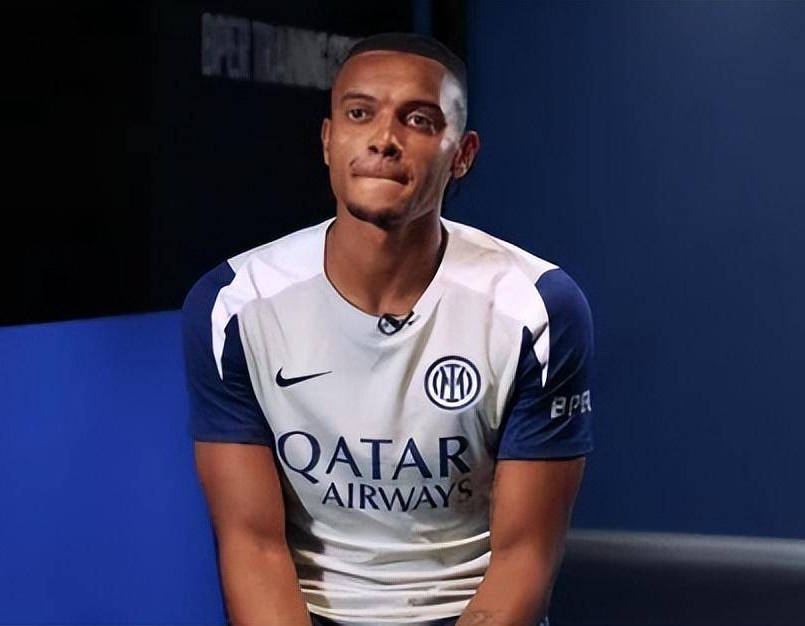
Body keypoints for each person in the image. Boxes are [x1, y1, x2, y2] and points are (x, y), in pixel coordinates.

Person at [181, 32, 593, 626]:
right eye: (359, 113)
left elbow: (523, 559)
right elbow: (253, 547)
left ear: (463, 154)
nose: (383, 139)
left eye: (418, 120)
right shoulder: (233, 304)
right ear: (328, 140)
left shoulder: (538, 308)